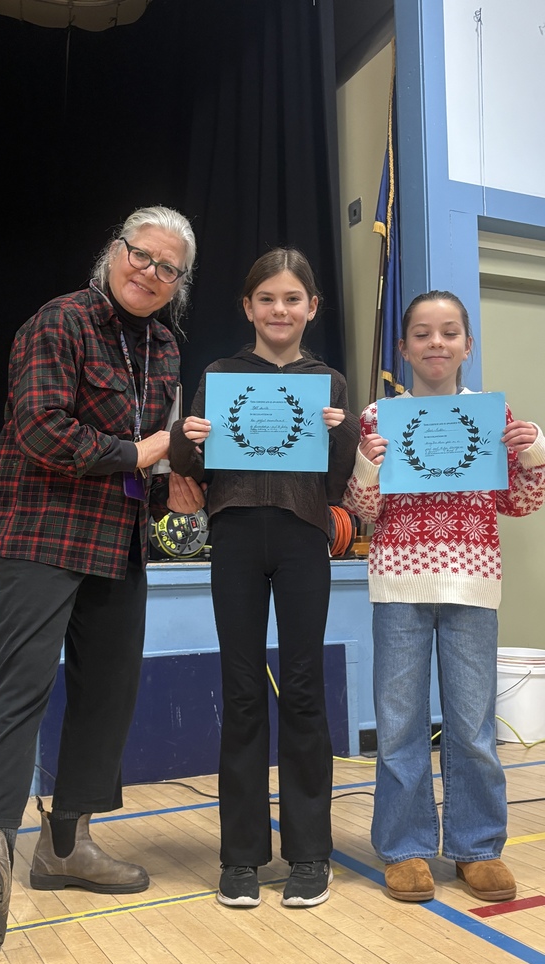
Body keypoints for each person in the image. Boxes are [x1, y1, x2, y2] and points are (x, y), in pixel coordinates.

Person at [0, 205, 205, 949]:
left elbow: (155, 445)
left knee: (109, 694)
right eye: (141, 255)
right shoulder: (59, 322)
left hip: (119, 539)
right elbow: (42, 430)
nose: (150, 273)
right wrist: (146, 454)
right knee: (20, 690)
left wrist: (180, 472)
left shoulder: (166, 344)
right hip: (42, 529)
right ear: (115, 249)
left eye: (168, 268)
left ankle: (65, 848)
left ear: (179, 283)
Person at [170, 248, 360, 908]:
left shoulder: (330, 384)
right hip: (237, 537)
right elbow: (192, 467)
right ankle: (241, 856)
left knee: (305, 689)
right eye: (267, 299)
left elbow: (339, 481)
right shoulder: (220, 375)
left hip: (306, 539)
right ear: (248, 307)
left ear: (313, 308)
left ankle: (310, 853)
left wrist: (342, 432)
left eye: (293, 299)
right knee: (244, 689)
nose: (280, 310)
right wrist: (188, 437)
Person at [342, 289, 545, 903]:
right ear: (402, 348)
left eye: (449, 332)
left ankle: (477, 846)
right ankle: (404, 848)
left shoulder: (494, 415)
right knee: (400, 722)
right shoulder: (378, 417)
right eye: (423, 333)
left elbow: (520, 502)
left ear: (467, 346)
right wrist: (367, 465)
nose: (437, 343)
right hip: (399, 582)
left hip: (473, 582)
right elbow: (365, 512)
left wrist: (530, 452)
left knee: (473, 724)